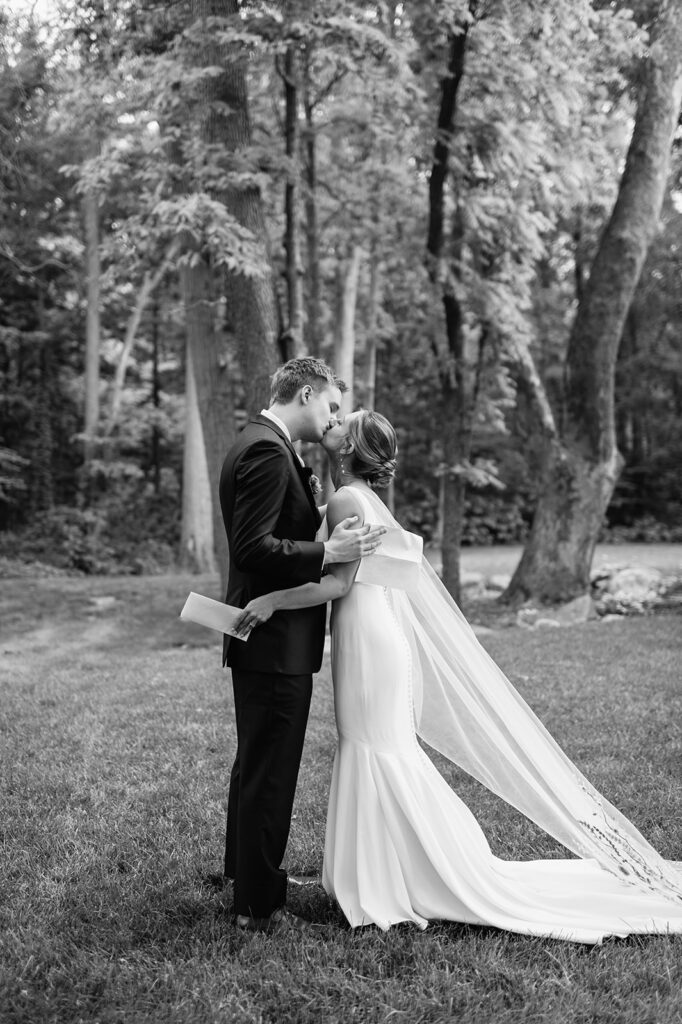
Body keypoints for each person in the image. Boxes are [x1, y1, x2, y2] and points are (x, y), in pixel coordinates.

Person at [236, 409, 682, 942]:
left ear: (351, 449)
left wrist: (270, 601)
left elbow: (335, 586)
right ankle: (384, 869)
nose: (333, 421)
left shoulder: (349, 500)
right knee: (374, 745)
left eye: (343, 422)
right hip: (373, 631)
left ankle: (407, 874)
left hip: (367, 635)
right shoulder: (359, 497)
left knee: (374, 745)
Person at [219, 359, 386, 935]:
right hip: (274, 643)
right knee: (270, 772)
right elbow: (253, 549)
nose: (335, 417)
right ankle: (258, 907)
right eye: (332, 406)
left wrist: (313, 521)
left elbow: (269, 531)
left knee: (256, 762)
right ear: (307, 393)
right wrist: (328, 554)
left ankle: (243, 874)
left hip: (267, 642)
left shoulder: (260, 440)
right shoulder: (268, 450)